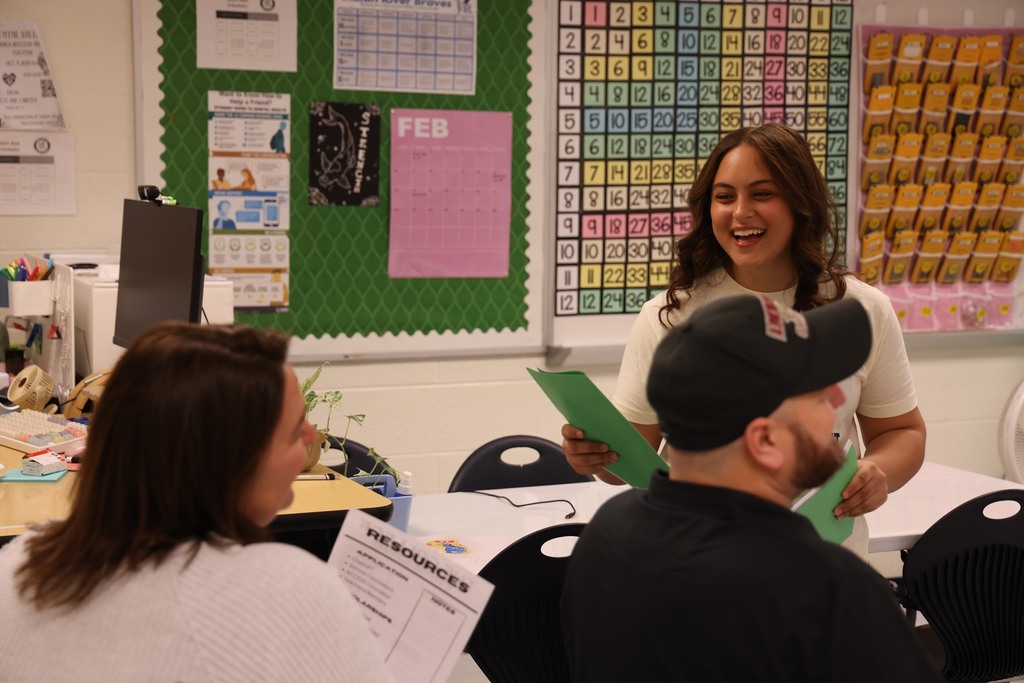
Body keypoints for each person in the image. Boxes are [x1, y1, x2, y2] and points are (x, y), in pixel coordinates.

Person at [561, 123, 925, 554]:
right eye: (725, 196)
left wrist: (876, 471)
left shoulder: (862, 310)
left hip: (823, 571)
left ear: (799, 202)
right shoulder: (670, 315)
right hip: (703, 568)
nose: (740, 212)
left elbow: (903, 432)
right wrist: (596, 456)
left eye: (762, 194)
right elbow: (632, 460)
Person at [561, 294, 942, 682]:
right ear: (765, 441)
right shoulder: (827, 590)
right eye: (818, 393)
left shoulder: (607, 536)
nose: (839, 398)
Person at [0, 323, 392, 682]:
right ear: (230, 463)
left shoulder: (19, 561)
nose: (311, 438)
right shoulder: (285, 592)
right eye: (293, 433)